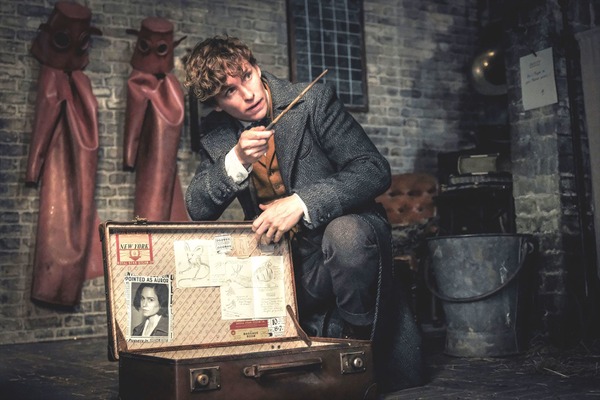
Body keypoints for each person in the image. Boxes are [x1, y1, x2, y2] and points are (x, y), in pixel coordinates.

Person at [184, 35, 424, 392]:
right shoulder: (219, 136)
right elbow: (198, 209)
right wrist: (236, 159)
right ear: (217, 105)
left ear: (256, 67)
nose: (247, 94)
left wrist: (300, 203)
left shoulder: (312, 100)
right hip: (286, 264)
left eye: (246, 76)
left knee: (345, 234)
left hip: (348, 246)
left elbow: (373, 169)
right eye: (229, 92)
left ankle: (356, 355)